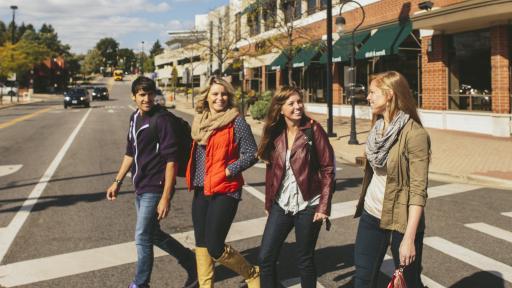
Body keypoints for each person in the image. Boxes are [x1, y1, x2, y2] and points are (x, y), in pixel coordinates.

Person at [106, 76, 197, 288]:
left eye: (150, 94)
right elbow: (130, 153)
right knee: (152, 233)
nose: (146, 98)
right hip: (140, 184)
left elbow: (171, 161)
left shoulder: (162, 120)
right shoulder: (134, 117)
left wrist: (166, 196)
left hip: (156, 186)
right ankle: (190, 261)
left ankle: (140, 283)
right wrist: (117, 181)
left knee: (142, 235)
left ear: (155, 95)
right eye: (141, 95)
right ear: (134, 97)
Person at [353, 71, 430, 288]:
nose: (367, 97)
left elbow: (418, 190)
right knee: (362, 279)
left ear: (389, 95)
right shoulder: (377, 128)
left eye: (372, 92)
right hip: (371, 214)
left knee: (409, 283)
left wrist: (408, 239)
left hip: (402, 221)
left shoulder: (415, 135)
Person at [256, 86, 335, 288]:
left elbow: (327, 168)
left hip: (308, 204)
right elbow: (271, 169)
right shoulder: (275, 131)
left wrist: (324, 206)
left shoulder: (313, 129)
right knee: (265, 258)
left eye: (299, 101)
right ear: (280, 108)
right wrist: (268, 201)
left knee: (304, 260)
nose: (298, 106)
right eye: (291, 103)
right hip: (281, 204)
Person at [186, 76, 260, 287]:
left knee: (215, 245)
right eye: (215, 94)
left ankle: (252, 274)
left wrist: (230, 169)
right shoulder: (200, 120)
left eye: (224, 94)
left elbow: (252, 153)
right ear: (206, 97)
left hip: (225, 189)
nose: (220, 98)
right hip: (201, 187)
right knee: (201, 243)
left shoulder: (236, 121)